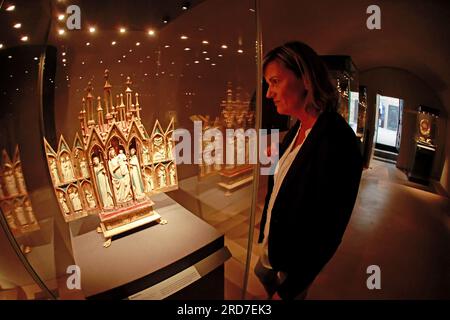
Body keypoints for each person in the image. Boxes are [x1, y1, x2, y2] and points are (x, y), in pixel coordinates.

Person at [255, 41, 363, 300]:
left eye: (275, 81)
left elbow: (329, 231)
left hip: (291, 271)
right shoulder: (297, 129)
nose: (269, 94)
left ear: (305, 79)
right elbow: (288, 184)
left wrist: (291, 290)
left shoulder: (339, 142)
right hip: (271, 255)